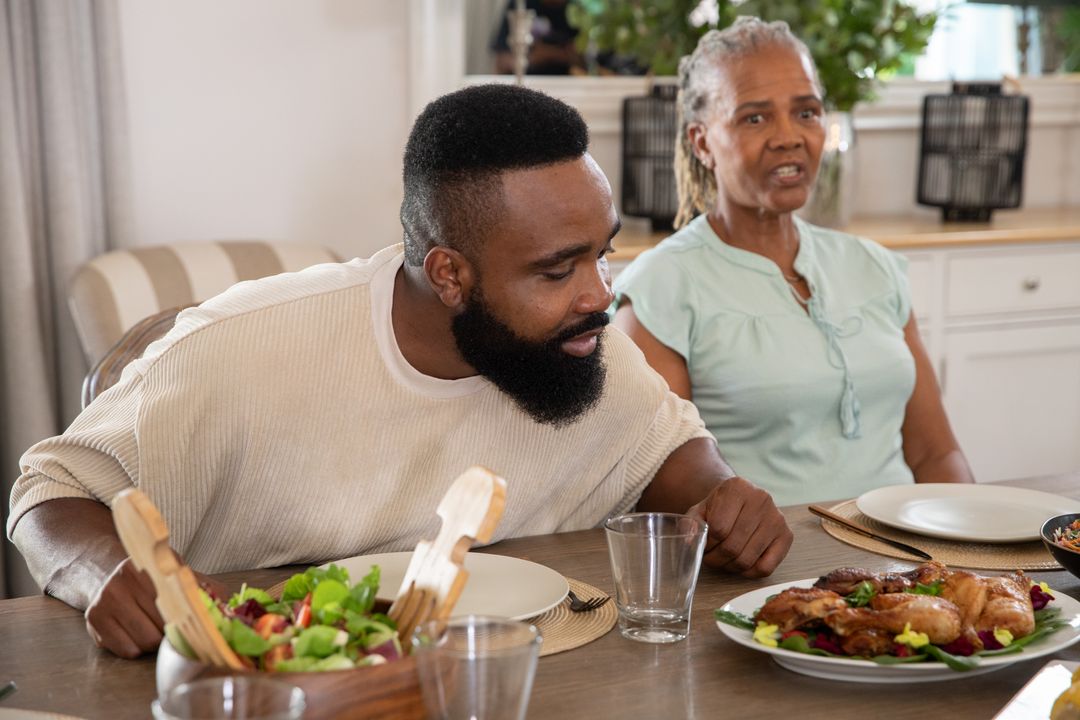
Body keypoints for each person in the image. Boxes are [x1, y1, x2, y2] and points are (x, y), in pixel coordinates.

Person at [8, 84, 792, 659]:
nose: (600, 293)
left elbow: (669, 453)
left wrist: (720, 499)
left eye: (604, 251)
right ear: (449, 274)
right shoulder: (243, 349)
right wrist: (100, 567)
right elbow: (50, 490)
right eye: (558, 269)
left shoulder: (581, 341)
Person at [612, 18, 975, 508]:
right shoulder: (661, 289)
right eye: (755, 118)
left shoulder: (873, 266)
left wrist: (975, 554)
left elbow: (936, 454)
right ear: (701, 142)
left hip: (907, 559)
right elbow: (661, 487)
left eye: (806, 112)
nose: (789, 136)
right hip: (770, 568)